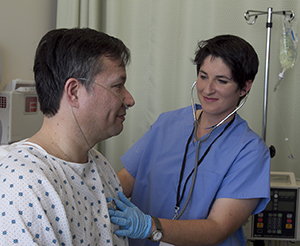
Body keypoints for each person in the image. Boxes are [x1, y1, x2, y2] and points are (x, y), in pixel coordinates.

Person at [108, 35, 270, 246]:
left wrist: (150, 226)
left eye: (221, 81)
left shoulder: (250, 150)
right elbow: (126, 180)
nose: (208, 89)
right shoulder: (167, 123)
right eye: (203, 76)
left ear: (244, 87)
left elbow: (218, 228)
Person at [0, 28, 135, 245]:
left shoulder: (100, 166)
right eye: (117, 86)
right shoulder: (22, 185)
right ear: (73, 91)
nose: (129, 99)